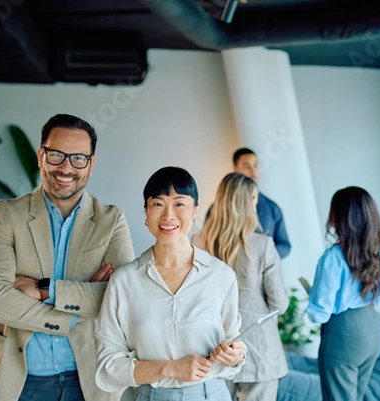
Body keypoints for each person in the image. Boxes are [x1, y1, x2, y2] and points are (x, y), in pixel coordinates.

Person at [0, 114, 135, 401]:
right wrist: (71, 317)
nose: (66, 168)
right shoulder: (4, 215)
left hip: (89, 379)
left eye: (78, 158)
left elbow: (125, 299)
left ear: (91, 164)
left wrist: (45, 290)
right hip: (19, 379)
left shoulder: (111, 220)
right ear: (41, 155)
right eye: (56, 155)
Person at [95, 166, 246, 401]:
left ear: (195, 210)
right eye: (157, 204)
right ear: (146, 211)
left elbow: (234, 343)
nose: (168, 215)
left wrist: (235, 356)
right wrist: (171, 368)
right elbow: (108, 367)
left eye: (179, 203)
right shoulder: (124, 281)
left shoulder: (221, 276)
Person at [192, 172, 289, 401]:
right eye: (254, 200)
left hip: (213, 347)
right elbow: (280, 304)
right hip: (260, 351)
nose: (256, 205)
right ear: (247, 204)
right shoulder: (263, 246)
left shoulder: (197, 243)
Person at [306, 186, 380, 401]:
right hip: (373, 328)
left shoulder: (333, 257)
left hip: (343, 335)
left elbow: (319, 312)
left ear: (339, 217)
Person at [232, 147, 291, 259]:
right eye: (246, 166)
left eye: (255, 165)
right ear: (235, 169)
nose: (253, 171)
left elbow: (285, 245)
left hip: (264, 274)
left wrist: (263, 255)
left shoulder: (272, 208)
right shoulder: (218, 209)